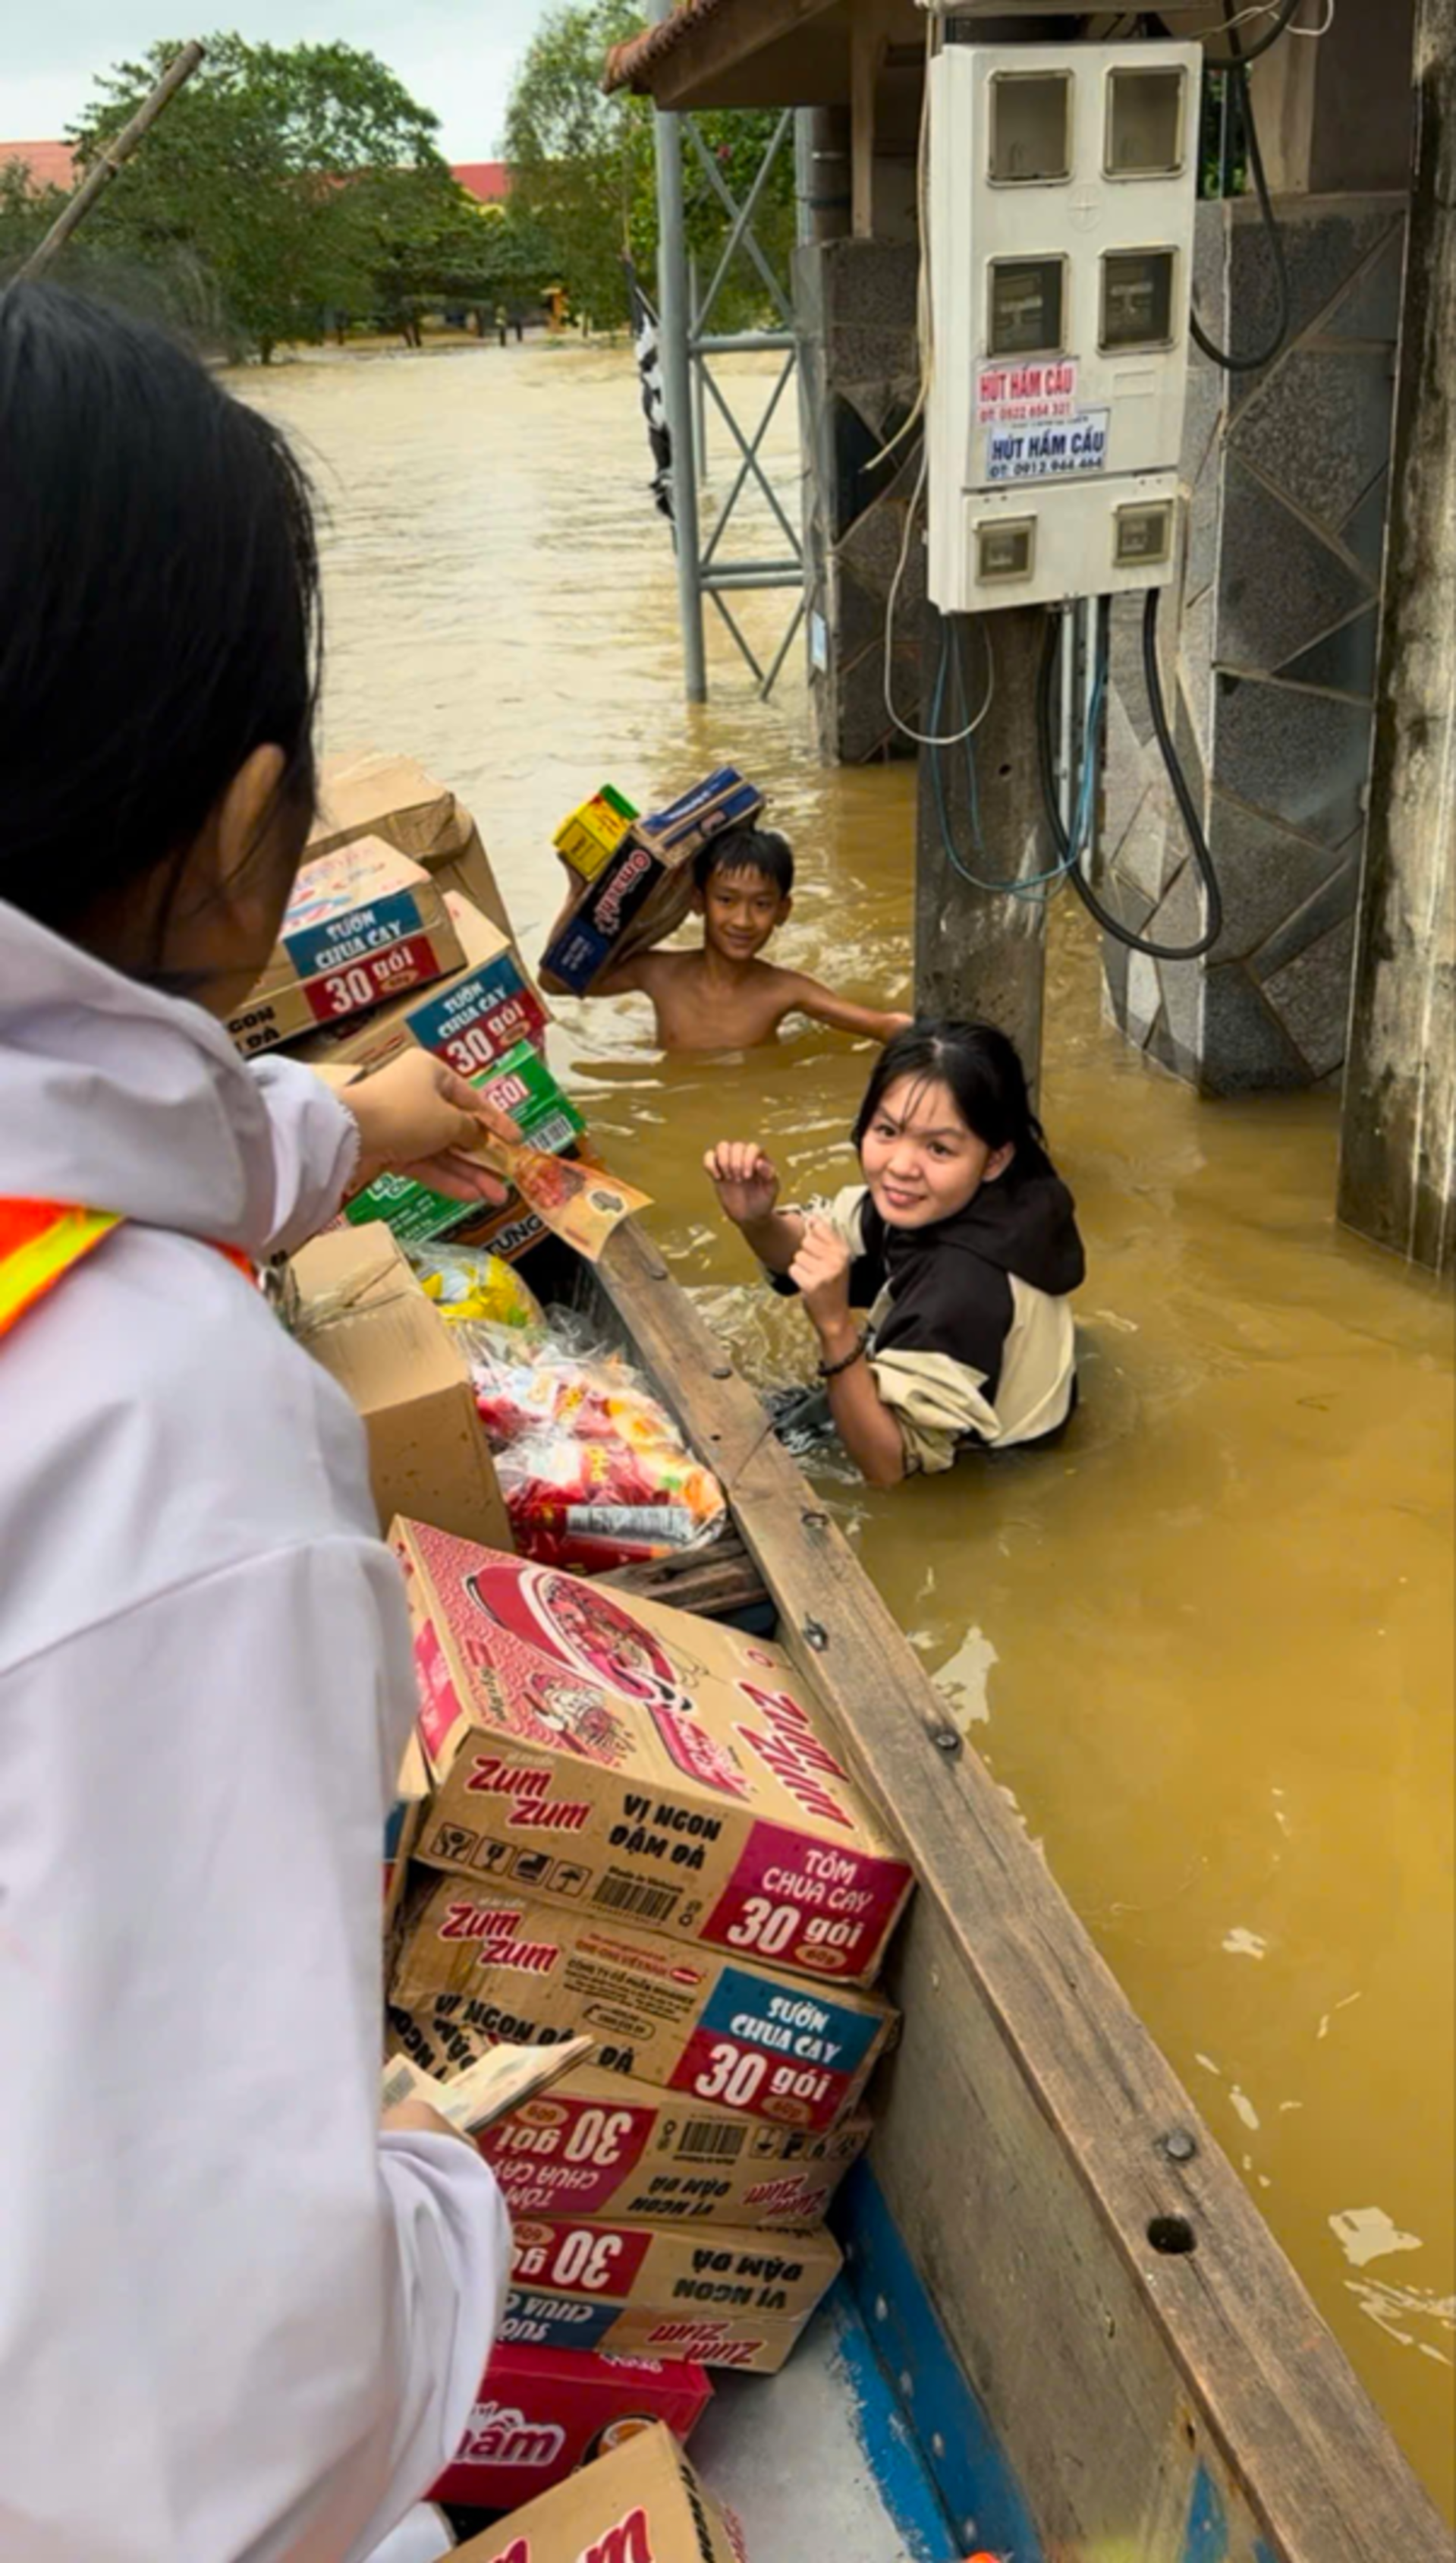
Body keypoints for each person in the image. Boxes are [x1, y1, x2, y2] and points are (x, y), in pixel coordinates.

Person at [0, 282, 517, 2562]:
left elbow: (107, 1129)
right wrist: (436, 2171)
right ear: (245, 836)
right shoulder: (160, 1434)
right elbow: (228, 2450)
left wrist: (348, 1127)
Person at [704, 1020, 1085, 1487]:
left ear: (994, 1159)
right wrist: (758, 1219)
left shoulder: (964, 1287)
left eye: (939, 1148)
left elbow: (888, 1468)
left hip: (984, 1476)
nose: (902, 1166)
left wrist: (834, 1326)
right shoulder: (967, 1196)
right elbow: (813, 1243)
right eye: (887, 1131)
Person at [549, 824, 910, 1053]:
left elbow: (881, 1026)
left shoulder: (786, 990)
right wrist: (577, 896)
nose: (743, 920)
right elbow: (555, 982)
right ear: (697, 901)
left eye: (762, 904)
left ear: (783, 911)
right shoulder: (659, 973)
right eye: (726, 900)